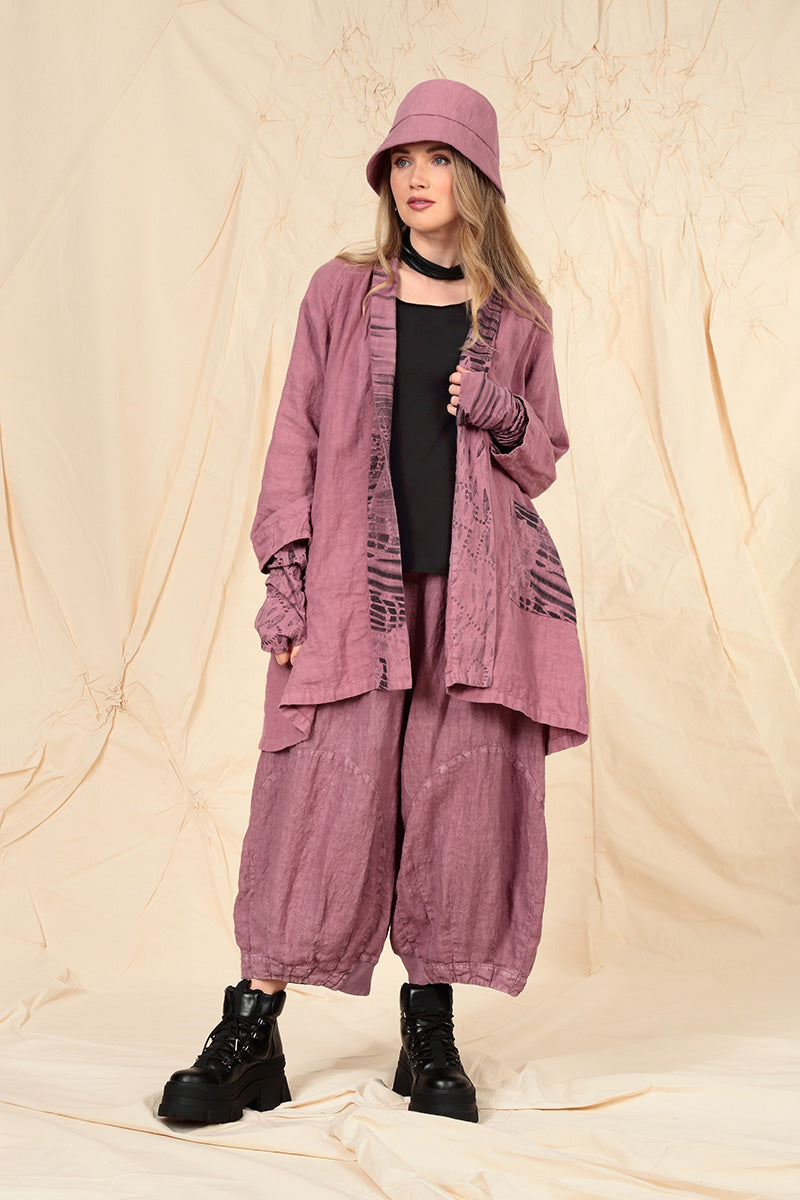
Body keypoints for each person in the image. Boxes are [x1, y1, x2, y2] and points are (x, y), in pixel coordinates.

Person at [157, 78, 588, 1128]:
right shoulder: (340, 294)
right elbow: (294, 436)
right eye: (401, 160)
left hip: (475, 610)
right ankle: (251, 1030)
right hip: (357, 596)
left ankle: (427, 1030)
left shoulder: (518, 316)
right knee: (314, 796)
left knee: (455, 802)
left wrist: (501, 410)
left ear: (475, 176)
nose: (414, 178)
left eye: (435, 159)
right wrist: (288, 577)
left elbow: (540, 459)